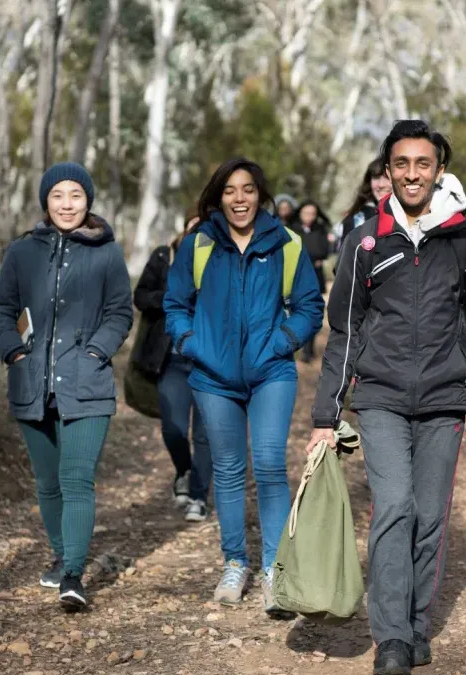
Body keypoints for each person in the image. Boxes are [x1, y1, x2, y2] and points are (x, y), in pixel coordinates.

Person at [307, 120, 466, 675]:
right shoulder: (365, 240)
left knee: (429, 516)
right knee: (395, 507)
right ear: (387, 171)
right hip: (379, 395)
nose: (412, 174)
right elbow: (346, 330)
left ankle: (415, 623)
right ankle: (392, 640)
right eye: (401, 164)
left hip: (443, 398)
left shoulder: (463, 239)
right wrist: (325, 415)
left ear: (438, 169)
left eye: (423, 164)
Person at [164, 158, 325, 617]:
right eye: (231, 190)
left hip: (271, 371)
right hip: (213, 377)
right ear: (219, 197)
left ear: (261, 194)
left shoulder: (285, 244)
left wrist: (284, 341)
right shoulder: (199, 243)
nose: (240, 199)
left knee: (271, 463)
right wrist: (192, 342)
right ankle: (235, 562)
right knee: (230, 470)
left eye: (249, 189)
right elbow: (175, 303)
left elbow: (310, 306)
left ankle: (276, 571)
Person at [0, 162, 133, 611]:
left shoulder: (106, 253)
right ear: (45, 201)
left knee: (76, 479)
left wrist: (96, 352)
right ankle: (60, 552)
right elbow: (1, 310)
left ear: (88, 201)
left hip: (87, 385)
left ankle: (73, 573)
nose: (67, 204)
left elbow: (120, 312)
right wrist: (14, 352)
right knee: (48, 482)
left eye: (76, 195)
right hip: (31, 384)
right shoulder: (20, 253)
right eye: (57, 195)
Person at [132, 216, 213, 522]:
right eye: (195, 227)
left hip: (211, 364)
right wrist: (170, 299)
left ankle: (199, 496)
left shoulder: (225, 259)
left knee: (205, 434)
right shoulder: (164, 256)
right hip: (173, 360)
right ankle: (184, 470)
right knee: (173, 428)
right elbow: (140, 296)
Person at [294, 200, 332, 361]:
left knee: (311, 312)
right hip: (295, 276)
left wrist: (310, 254)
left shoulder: (320, 229)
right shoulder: (292, 229)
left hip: (314, 276)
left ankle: (308, 351)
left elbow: (323, 251)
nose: (309, 217)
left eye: (312, 214)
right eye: (306, 213)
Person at [332, 157, 393, 251]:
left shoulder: (413, 215)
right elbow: (345, 262)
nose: (381, 184)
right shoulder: (356, 219)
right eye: (376, 177)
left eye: (387, 178)